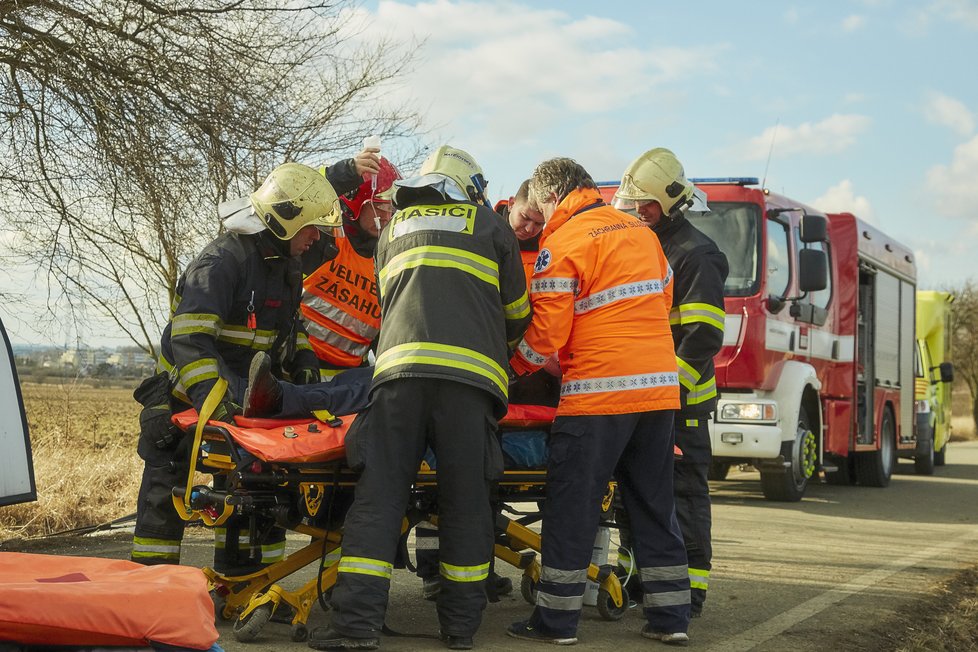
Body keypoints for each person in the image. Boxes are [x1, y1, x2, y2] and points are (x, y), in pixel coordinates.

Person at [308, 145, 530, 651]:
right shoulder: (489, 227)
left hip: (397, 381)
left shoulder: (393, 230)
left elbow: (392, 304)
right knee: (467, 505)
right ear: (469, 188)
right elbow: (517, 313)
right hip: (469, 389)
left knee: (379, 500)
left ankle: (355, 627)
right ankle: (459, 629)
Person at [506, 157, 691, 645]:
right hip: (657, 392)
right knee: (654, 504)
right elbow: (664, 298)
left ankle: (555, 623)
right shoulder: (641, 233)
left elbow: (546, 333)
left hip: (597, 396)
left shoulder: (561, 243)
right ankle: (672, 620)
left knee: (573, 508)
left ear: (549, 197)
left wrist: (510, 372)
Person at [131, 162, 350, 572]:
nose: (315, 238)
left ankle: (245, 583)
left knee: (255, 491)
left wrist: (303, 365)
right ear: (286, 222)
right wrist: (216, 403)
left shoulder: (284, 263)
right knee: (166, 489)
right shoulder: (221, 262)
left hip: (241, 399)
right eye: (310, 228)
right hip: (184, 397)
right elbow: (190, 342)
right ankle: (151, 592)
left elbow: (289, 327)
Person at [414, 179, 547, 602]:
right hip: (485, 364)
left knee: (484, 478)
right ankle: (437, 573)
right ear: (515, 203)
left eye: (538, 223)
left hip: (522, 372)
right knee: (455, 478)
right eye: (526, 218)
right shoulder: (485, 231)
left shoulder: (547, 247)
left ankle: (478, 571)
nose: (530, 228)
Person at [613, 148, 728, 618]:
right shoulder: (647, 245)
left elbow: (703, 335)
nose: (639, 213)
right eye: (635, 204)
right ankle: (637, 578)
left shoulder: (696, 254)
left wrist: (668, 386)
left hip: (682, 403)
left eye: (648, 205)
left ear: (670, 202)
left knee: (683, 494)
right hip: (643, 398)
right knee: (632, 490)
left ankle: (690, 586)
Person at [300, 157, 402, 382]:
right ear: (357, 201)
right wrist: (346, 172)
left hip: (348, 385)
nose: (387, 215)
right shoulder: (323, 238)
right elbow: (304, 194)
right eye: (379, 205)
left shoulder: (388, 259)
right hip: (295, 372)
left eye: (391, 207)